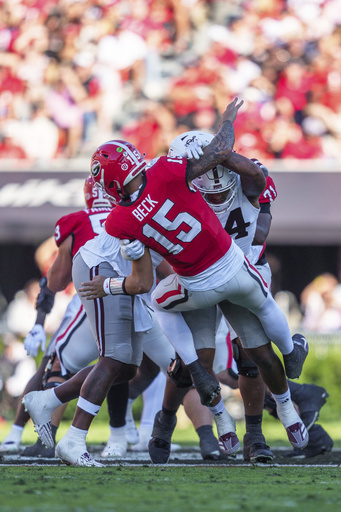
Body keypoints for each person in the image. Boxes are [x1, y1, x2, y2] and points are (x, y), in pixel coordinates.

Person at [88, 98, 309, 465]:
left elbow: (258, 201)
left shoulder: (225, 175)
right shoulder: (177, 180)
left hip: (237, 267)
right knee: (199, 359)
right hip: (220, 272)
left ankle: (253, 434)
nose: (218, 193)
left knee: (250, 357)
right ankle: (167, 422)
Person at [0, 176, 113, 457]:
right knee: (127, 365)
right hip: (121, 297)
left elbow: (53, 278)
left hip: (89, 298)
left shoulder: (80, 220)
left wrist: (39, 323)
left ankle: (34, 436)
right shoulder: (132, 213)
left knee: (64, 365)